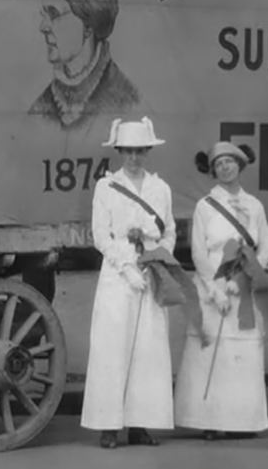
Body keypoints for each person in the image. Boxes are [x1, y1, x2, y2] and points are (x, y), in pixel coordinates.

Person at [81, 116, 175, 449]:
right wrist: (126, 266)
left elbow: (169, 231)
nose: (134, 157)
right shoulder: (106, 187)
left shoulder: (160, 188)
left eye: (140, 151)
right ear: (119, 151)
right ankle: (109, 425)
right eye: (128, 151)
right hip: (118, 275)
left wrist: (156, 260)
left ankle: (141, 424)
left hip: (151, 273)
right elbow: (100, 234)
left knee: (148, 351)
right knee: (113, 348)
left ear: (148, 151)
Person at [174, 141, 268, 441]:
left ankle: (242, 421)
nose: (225, 167)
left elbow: (264, 247)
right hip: (212, 283)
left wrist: (244, 276)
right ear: (212, 170)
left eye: (230, 162)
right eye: (219, 164)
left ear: (240, 166)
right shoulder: (205, 206)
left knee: (240, 351)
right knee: (211, 351)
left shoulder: (254, 205)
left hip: (243, 284)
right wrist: (215, 288)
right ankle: (210, 419)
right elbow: (198, 251)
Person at [28, 0, 142, 131]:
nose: (43, 26)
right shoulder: (38, 111)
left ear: (88, 23)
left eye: (53, 14)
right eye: (43, 14)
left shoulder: (127, 103)